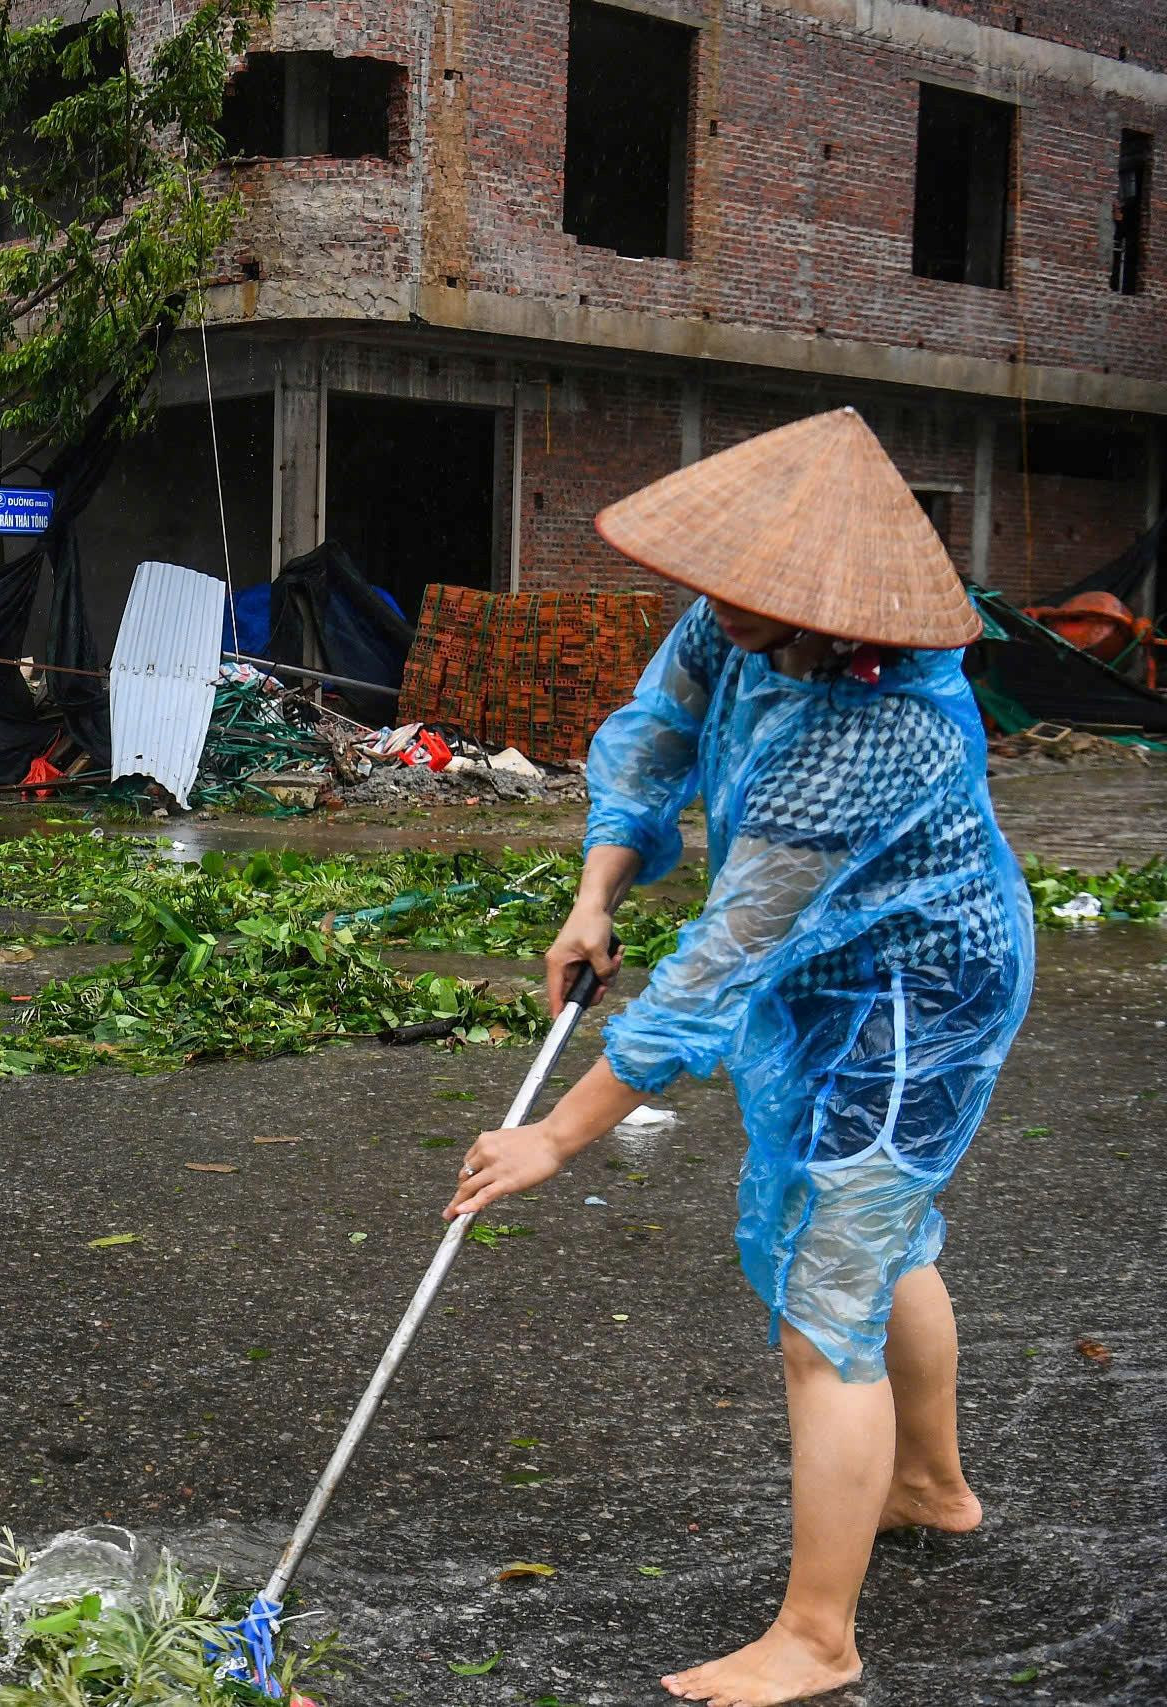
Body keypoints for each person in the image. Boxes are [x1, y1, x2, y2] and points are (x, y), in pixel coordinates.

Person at [441, 409, 1034, 1707]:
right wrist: (594, 891)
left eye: (745, 599)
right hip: (830, 964)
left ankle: (819, 1638)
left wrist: (556, 1134)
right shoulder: (743, 616)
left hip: (915, 998)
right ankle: (929, 1491)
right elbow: (654, 733)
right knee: (893, 1240)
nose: (709, 609)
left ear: (838, 617)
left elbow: (717, 962)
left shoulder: (879, 731)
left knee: (827, 1294)